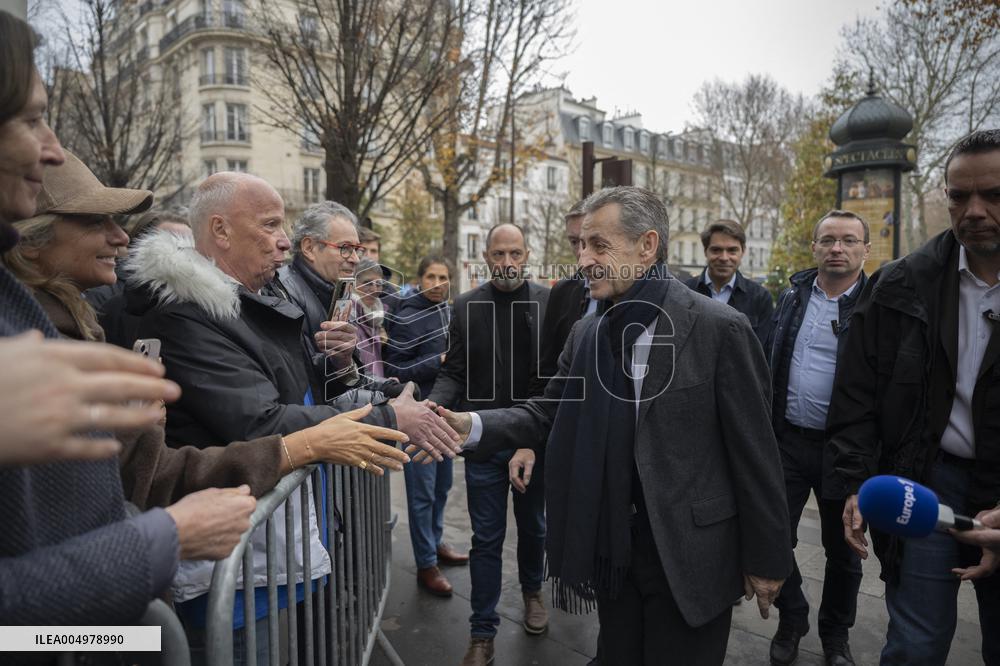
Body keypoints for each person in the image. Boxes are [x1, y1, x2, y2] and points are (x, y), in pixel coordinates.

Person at [435, 187, 792, 665]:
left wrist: (768, 559)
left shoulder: (718, 328)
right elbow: (546, 410)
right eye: (581, 245)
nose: (582, 259)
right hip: (612, 547)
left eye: (598, 246)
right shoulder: (588, 331)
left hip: (691, 556)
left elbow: (755, 454)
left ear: (646, 246)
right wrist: (468, 424)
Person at [0, 9, 254, 628]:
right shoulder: (37, 326)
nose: (52, 148)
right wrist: (162, 541)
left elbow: (124, 482)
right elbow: (23, 632)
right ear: (32, 243)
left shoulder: (40, 315)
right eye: (33, 119)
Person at [2, 149, 410, 503]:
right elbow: (255, 423)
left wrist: (338, 364)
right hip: (233, 555)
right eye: (95, 222)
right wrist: (367, 423)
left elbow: (297, 389)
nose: (119, 237)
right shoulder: (181, 315)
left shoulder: (263, 295)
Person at [828, 129, 1000, 665]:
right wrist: (859, 482)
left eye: (993, 194)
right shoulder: (901, 284)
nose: (973, 210)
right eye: (958, 196)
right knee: (914, 645)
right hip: (928, 484)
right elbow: (856, 394)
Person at [426, 224, 550, 665]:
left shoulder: (547, 303)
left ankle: (534, 592)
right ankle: (482, 632)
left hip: (530, 443)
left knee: (534, 528)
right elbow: (453, 373)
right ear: (485, 255)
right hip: (481, 443)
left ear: (528, 253)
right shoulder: (465, 307)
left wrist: (529, 439)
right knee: (487, 539)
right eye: (499, 254)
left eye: (515, 253)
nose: (507, 262)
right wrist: (431, 409)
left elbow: (551, 381)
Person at [763, 210, 870, 666]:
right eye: (828, 240)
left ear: (866, 249)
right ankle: (794, 616)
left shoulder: (874, 305)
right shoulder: (793, 295)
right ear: (814, 247)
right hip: (786, 441)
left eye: (848, 241)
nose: (837, 249)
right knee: (771, 537)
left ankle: (835, 635)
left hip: (844, 449)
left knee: (843, 551)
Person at [384, 256, 468, 597]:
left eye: (444, 277)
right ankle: (425, 564)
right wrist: (438, 361)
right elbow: (393, 371)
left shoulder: (449, 312)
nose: (438, 283)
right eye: (431, 276)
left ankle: (435, 543)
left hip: (446, 416)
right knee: (421, 495)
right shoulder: (405, 316)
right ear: (420, 280)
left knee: (442, 487)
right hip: (419, 418)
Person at [270, 200, 367, 398]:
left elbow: (349, 383)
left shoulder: (340, 292)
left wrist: (346, 363)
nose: (355, 259)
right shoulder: (281, 293)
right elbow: (305, 387)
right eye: (345, 248)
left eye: (357, 249)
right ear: (309, 247)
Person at [530, 200, 598, 396]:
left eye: (589, 241)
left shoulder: (628, 290)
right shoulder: (562, 291)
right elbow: (545, 368)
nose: (580, 251)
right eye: (574, 241)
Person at [685, 219, 773, 344]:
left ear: (743, 252)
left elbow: (760, 353)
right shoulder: (685, 292)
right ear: (705, 251)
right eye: (716, 250)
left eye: (732, 250)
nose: (724, 258)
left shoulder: (760, 298)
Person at [352, 257, 388, 379]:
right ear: (353, 283)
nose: (374, 289)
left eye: (379, 284)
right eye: (367, 283)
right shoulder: (347, 317)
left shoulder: (377, 319)